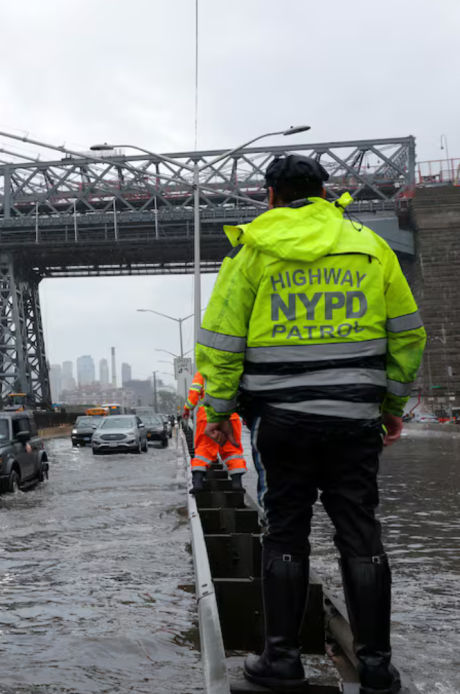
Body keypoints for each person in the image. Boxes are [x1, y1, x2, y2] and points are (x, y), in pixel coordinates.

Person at [195, 154, 425, 694]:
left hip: (281, 422)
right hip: (354, 421)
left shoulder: (252, 250)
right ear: (326, 193)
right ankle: (375, 666)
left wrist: (222, 414)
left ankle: (282, 661)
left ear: (269, 195)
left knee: (285, 533)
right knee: (360, 533)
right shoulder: (372, 248)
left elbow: (222, 344)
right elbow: (408, 335)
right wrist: (391, 407)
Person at [183, 371, 246, 491]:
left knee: (203, 448)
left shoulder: (202, 372)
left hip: (207, 417)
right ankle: (237, 484)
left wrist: (187, 408)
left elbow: (194, 394)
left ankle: (198, 483)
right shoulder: (232, 370)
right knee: (232, 450)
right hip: (230, 415)